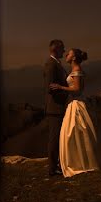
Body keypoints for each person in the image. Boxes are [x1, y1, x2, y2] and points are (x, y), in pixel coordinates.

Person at [50, 48, 101, 177]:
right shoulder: (75, 70)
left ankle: (78, 162)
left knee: (73, 132)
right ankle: (79, 160)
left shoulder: (77, 70)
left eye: (69, 53)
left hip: (76, 103)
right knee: (74, 133)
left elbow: (77, 89)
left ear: (73, 58)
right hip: (73, 103)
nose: (66, 55)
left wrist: (60, 87)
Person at [43, 39, 68, 176]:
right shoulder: (51, 64)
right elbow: (50, 88)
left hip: (57, 107)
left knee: (57, 137)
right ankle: (52, 169)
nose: (64, 51)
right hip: (55, 108)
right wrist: (67, 93)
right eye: (62, 48)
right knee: (54, 138)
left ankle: (56, 165)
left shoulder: (55, 63)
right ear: (56, 49)